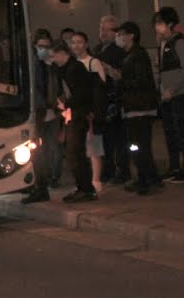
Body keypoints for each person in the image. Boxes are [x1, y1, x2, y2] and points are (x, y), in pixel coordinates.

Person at [114, 21, 163, 195]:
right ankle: (150, 177)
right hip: (135, 107)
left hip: (139, 108)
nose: (118, 37)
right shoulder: (131, 55)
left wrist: (121, 81)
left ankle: (144, 180)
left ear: (131, 35)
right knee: (140, 145)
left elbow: (141, 81)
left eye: (120, 33)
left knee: (137, 146)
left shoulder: (137, 55)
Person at [49, 40, 97, 203]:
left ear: (63, 53)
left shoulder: (74, 69)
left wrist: (66, 104)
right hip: (73, 114)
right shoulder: (66, 69)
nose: (52, 59)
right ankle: (83, 187)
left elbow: (82, 93)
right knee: (73, 152)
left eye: (54, 55)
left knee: (75, 152)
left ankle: (86, 188)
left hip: (78, 114)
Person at [153, 6, 184, 183]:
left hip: (179, 94)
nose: (157, 27)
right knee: (169, 131)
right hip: (166, 95)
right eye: (156, 23)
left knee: (182, 131)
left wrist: (173, 89)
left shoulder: (178, 41)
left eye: (160, 23)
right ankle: (174, 167)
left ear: (170, 23)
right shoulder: (163, 42)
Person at [22, 29, 57, 203]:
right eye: (41, 46)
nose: (44, 49)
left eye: (47, 46)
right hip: (41, 109)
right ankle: (39, 184)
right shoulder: (37, 64)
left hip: (42, 110)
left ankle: (41, 185)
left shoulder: (44, 65)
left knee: (41, 149)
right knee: (38, 149)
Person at [92, 15, 128, 185]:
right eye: (101, 29)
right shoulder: (97, 49)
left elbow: (121, 75)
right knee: (104, 139)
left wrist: (106, 68)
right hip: (100, 101)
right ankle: (107, 169)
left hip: (114, 101)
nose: (103, 33)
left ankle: (122, 170)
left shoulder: (119, 51)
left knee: (118, 138)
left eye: (107, 30)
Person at [70, 30, 108, 194]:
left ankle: (96, 179)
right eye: (74, 42)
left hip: (90, 111)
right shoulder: (72, 63)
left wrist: (94, 110)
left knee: (93, 146)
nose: (76, 45)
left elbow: (100, 87)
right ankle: (84, 180)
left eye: (80, 41)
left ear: (86, 44)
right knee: (79, 147)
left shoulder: (93, 62)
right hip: (76, 111)